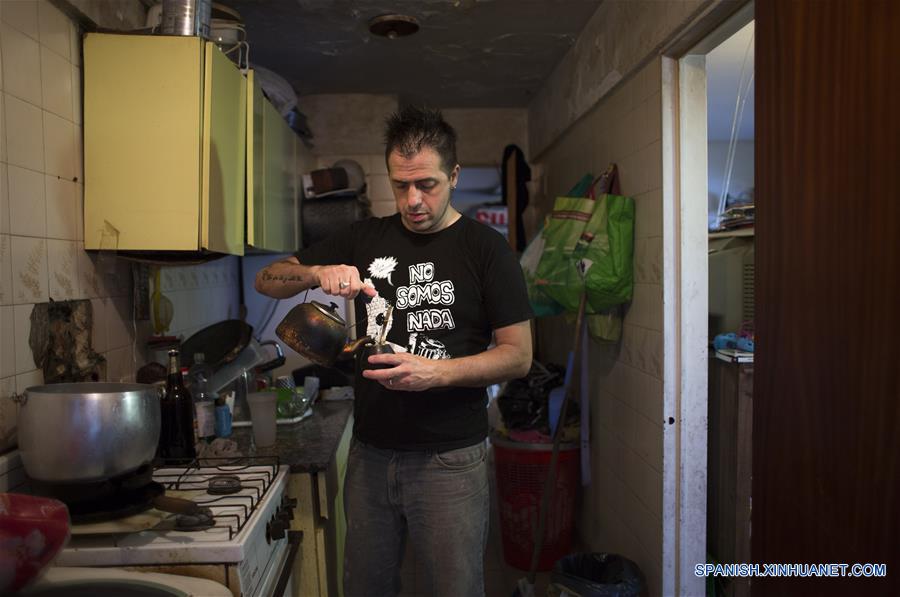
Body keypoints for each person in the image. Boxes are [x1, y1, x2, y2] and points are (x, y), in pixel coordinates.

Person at [255, 105, 533, 597]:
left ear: (454, 175)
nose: (413, 200)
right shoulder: (364, 237)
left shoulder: (488, 250)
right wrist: (315, 274)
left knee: (456, 589)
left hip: (451, 460)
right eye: (400, 185)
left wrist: (436, 373)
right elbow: (267, 279)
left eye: (426, 184)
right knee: (366, 587)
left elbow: (517, 356)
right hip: (371, 455)